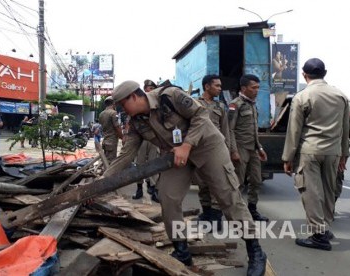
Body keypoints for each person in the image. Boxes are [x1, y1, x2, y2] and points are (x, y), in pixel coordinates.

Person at [103, 80, 267, 274]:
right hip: (176, 156)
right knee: (168, 197)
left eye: (123, 104)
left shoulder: (169, 96)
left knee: (228, 197)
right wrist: (101, 182)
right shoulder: (137, 122)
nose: (122, 109)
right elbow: (126, 155)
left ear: (134, 96)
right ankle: (182, 252)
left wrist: (187, 145)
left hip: (207, 147)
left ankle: (255, 250)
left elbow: (201, 115)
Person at [282, 58, 349, 251]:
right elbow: (346, 128)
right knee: (328, 192)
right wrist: (344, 154)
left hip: (310, 151)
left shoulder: (302, 96)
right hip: (333, 152)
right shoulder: (341, 95)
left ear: (304, 74)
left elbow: (294, 130)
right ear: (325, 73)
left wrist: (288, 157)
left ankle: (319, 235)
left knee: (311, 193)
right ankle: (324, 227)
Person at [228, 74, 269, 222]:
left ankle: (252, 210)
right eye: (253, 88)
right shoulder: (235, 104)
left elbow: (254, 130)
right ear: (244, 88)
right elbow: (230, 130)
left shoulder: (252, 105)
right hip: (240, 148)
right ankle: (235, 214)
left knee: (256, 181)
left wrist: (260, 148)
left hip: (253, 149)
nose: (256, 90)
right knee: (238, 183)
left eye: (258, 87)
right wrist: (233, 151)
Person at [194, 75, 230, 227]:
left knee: (217, 183)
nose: (220, 88)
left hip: (216, 150)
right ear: (207, 86)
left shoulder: (220, 107)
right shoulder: (194, 104)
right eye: (217, 85)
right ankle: (207, 213)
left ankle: (216, 217)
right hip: (199, 150)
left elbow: (226, 130)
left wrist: (228, 150)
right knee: (202, 184)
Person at [133, 79, 160, 202]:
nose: (150, 90)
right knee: (140, 163)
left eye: (152, 88)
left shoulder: (158, 104)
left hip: (155, 139)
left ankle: (154, 189)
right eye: (148, 89)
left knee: (154, 163)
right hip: (142, 138)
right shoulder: (139, 103)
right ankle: (139, 188)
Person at [99, 96, 123, 163]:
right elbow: (117, 127)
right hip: (111, 141)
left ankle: (103, 172)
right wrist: (122, 137)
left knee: (105, 161)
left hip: (105, 140)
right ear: (113, 103)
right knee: (111, 161)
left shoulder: (101, 113)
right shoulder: (113, 113)